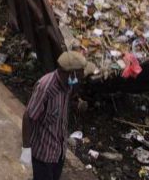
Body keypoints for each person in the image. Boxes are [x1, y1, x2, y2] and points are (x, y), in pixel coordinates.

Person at [21, 51, 96, 180]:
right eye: (80, 74)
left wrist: (77, 105)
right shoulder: (45, 88)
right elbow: (28, 117)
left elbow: (65, 102)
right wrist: (26, 148)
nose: (81, 77)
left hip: (59, 151)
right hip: (43, 154)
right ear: (71, 73)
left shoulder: (67, 84)